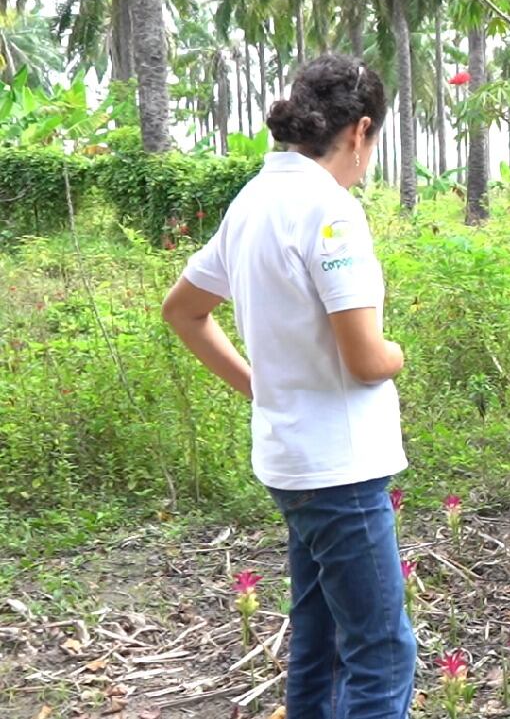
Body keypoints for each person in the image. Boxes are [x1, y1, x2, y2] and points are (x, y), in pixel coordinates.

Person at [162, 53, 416, 718]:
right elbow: (364, 358)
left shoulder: (254, 200)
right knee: (382, 654)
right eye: (374, 142)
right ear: (360, 130)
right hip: (340, 467)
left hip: (289, 461)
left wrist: (260, 385)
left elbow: (183, 310)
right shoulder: (330, 211)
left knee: (321, 644)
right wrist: (397, 353)